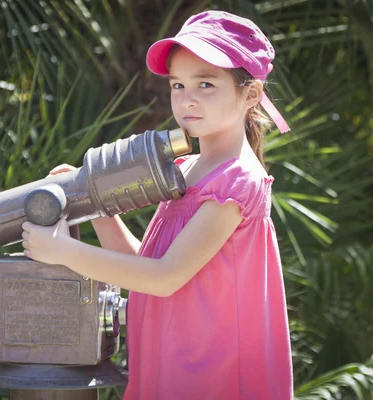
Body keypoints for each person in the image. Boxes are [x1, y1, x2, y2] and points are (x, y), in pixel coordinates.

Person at [21, 10, 293, 400]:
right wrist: (92, 203)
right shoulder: (185, 169)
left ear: (250, 94)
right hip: (166, 362)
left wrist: (62, 251)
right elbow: (142, 262)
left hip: (210, 373)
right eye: (178, 85)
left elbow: (164, 277)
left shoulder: (236, 181)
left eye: (206, 84)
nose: (188, 99)